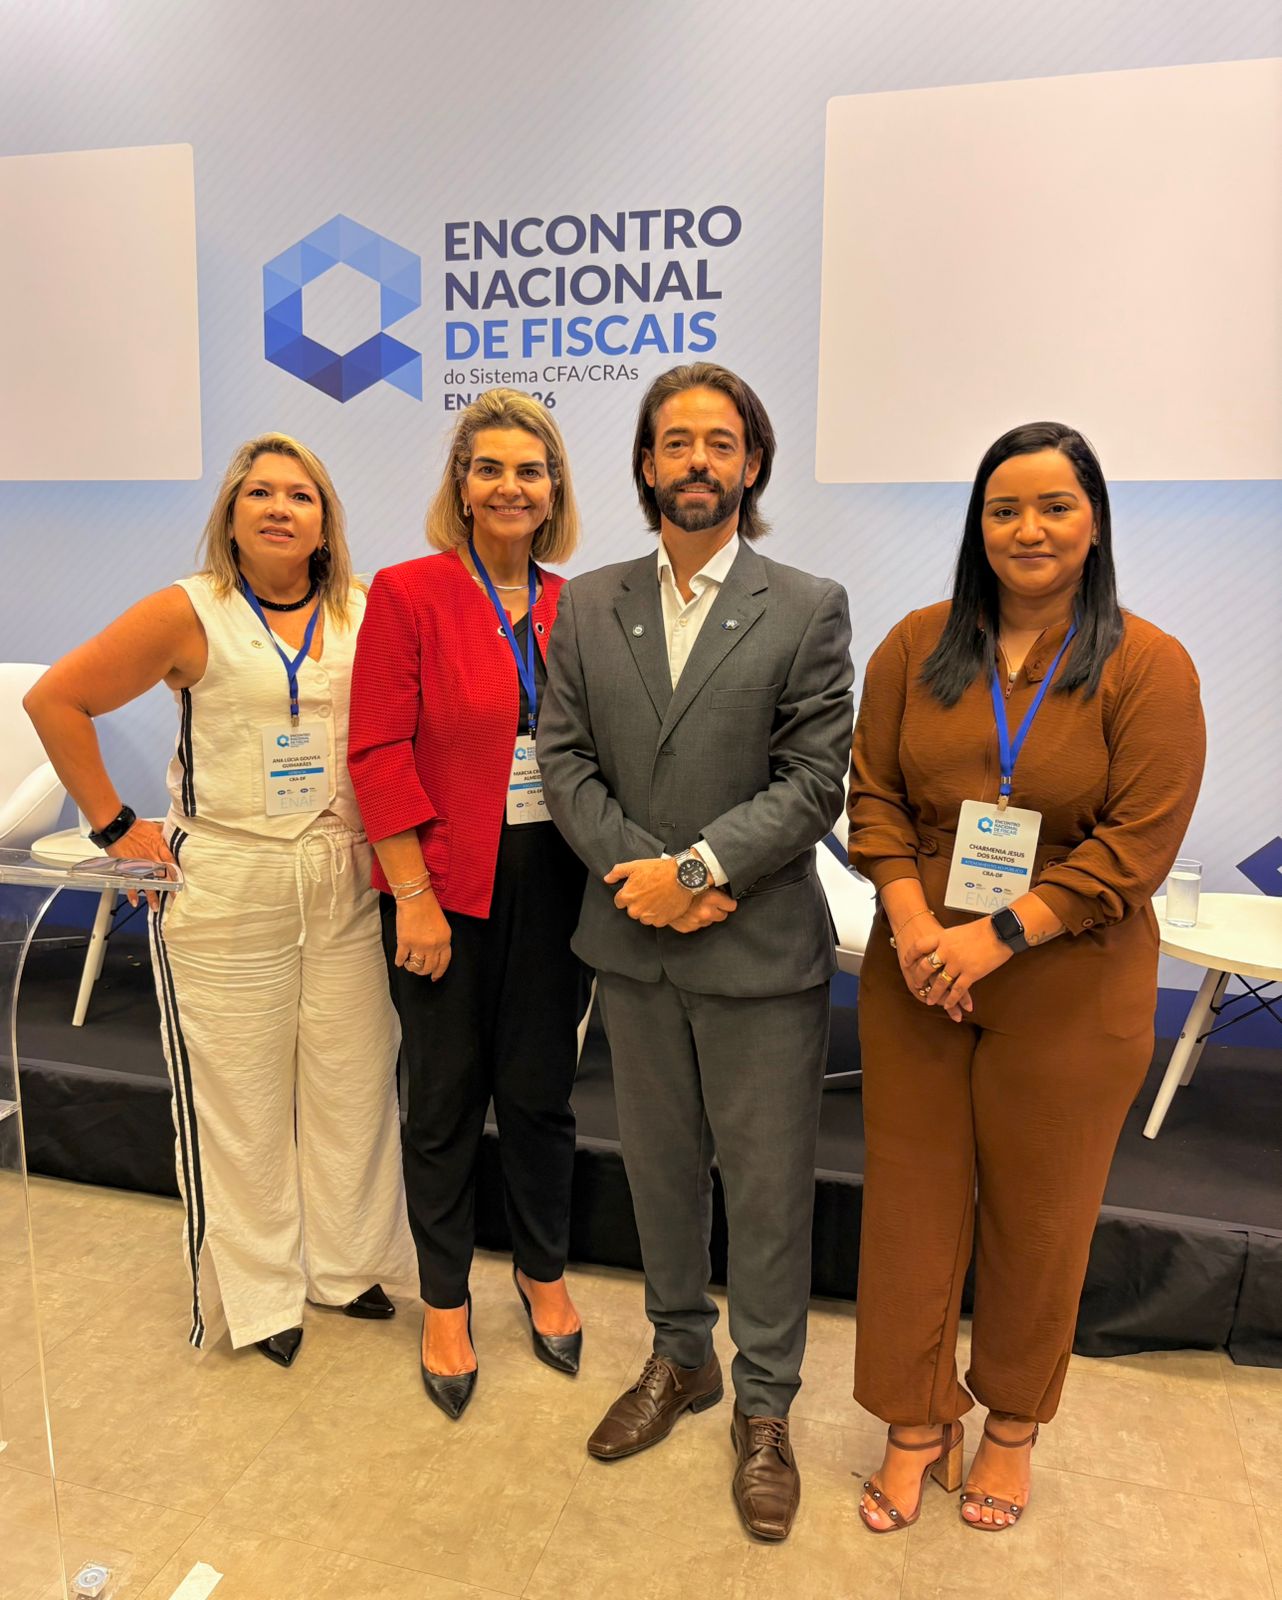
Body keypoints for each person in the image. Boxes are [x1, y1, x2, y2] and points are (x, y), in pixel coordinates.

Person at [847, 421, 1205, 1534]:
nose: (1028, 529)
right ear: (978, 526)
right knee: (908, 1205)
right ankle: (915, 1420)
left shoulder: (1148, 664)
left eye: (1055, 506)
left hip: (1071, 982)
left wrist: (993, 937)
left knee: (1041, 1218)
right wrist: (917, 929)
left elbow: (1135, 845)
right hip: (917, 973)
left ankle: (1009, 1425)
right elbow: (873, 799)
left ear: (1094, 522)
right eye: (1004, 509)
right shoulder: (915, 646)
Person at [539, 362, 853, 1541]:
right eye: (675, 442)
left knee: (766, 1195)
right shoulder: (588, 605)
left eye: (720, 442)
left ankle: (765, 1407)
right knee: (661, 1174)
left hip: (757, 954)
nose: (697, 462)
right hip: (634, 948)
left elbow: (813, 780)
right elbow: (564, 759)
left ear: (750, 464)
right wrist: (649, 879)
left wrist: (698, 873)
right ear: (645, 464)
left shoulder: (807, 604)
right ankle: (681, 1358)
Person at [24, 434, 416, 1366]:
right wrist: (117, 826)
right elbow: (55, 701)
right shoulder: (188, 609)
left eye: (301, 495)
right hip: (231, 878)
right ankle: (260, 1293)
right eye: (260, 494)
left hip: (341, 870)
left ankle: (346, 1265)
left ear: (326, 521)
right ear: (231, 516)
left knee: (354, 1082)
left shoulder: (365, 610)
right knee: (238, 1097)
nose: (281, 508)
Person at [347, 389, 587, 1421]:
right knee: (443, 1098)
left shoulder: (578, 605)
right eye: (489, 468)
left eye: (529, 470)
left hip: (556, 888)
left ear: (554, 490)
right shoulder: (410, 592)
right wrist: (413, 894)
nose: (509, 487)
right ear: (461, 483)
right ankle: (446, 1298)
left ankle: (541, 1271)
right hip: (442, 888)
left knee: (539, 1094)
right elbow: (376, 751)